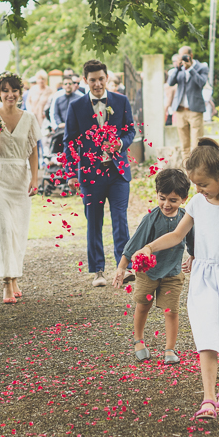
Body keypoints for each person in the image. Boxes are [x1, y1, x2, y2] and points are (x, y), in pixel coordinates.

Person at [131, 137, 219, 420]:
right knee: (207, 333)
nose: (199, 190)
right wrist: (149, 247)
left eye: (204, 184)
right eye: (196, 185)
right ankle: (208, 396)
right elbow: (176, 235)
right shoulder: (197, 202)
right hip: (206, 277)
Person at [65, 59, 136, 287]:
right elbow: (69, 142)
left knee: (120, 220)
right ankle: (98, 271)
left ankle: (123, 268)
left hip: (118, 173)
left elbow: (130, 130)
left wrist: (121, 144)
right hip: (90, 175)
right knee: (94, 222)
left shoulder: (121, 101)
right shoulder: (76, 107)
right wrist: (71, 174)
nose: (97, 84)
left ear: (107, 78)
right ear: (85, 80)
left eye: (101, 79)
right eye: (93, 80)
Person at [113, 168, 194, 366]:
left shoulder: (186, 218)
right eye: (162, 198)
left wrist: (193, 255)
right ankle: (139, 340)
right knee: (143, 306)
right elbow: (133, 244)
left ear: (184, 199)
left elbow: (192, 240)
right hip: (148, 274)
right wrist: (122, 267)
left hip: (173, 273)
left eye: (173, 200)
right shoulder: (150, 219)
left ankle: (170, 348)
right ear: (157, 195)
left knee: (171, 311)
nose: (166, 204)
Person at [0, 72, 40, 303]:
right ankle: (5, 282)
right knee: (3, 230)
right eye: (5, 90)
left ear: (20, 93)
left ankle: (14, 277)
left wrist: (34, 179)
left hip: (19, 177)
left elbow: (33, 150)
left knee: (17, 231)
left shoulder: (30, 118)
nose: (9, 95)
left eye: (14, 90)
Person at [166, 46, 209, 165]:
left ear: (191, 55)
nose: (183, 58)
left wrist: (190, 69)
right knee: (184, 145)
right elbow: (170, 82)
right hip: (180, 110)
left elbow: (201, 83)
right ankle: (187, 171)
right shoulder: (178, 69)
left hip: (194, 110)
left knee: (196, 145)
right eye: (181, 56)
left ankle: (197, 170)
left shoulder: (201, 67)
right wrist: (177, 68)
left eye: (185, 55)